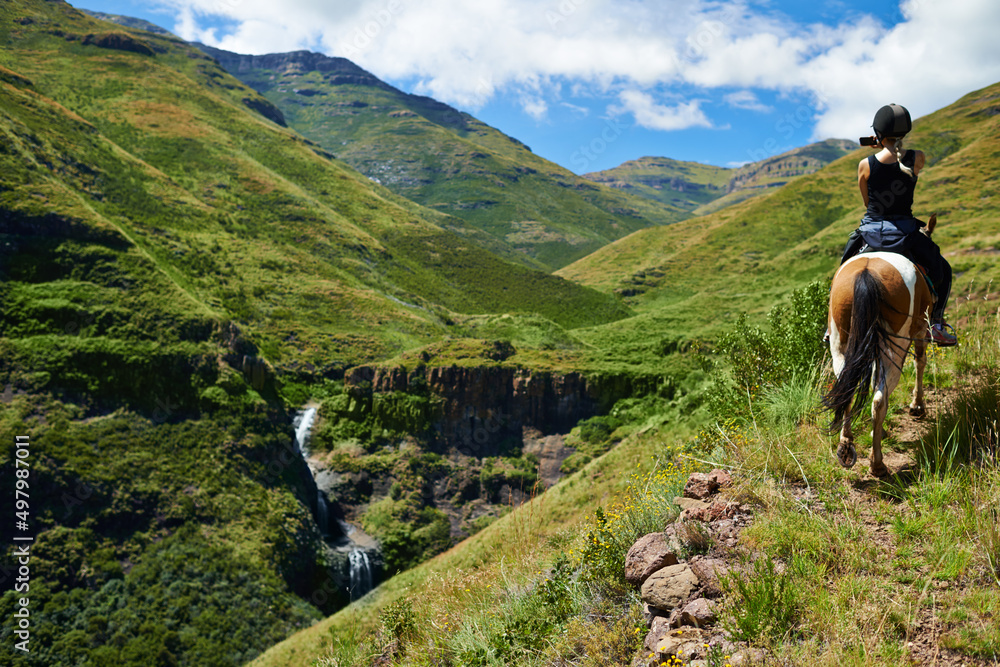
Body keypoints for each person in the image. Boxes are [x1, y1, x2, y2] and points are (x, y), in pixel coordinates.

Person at [837, 103, 956, 346]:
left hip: (871, 231)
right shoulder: (917, 158)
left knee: (842, 268)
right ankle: (936, 323)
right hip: (906, 232)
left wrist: (879, 148)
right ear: (905, 132)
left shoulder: (865, 164)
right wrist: (888, 145)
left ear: (878, 133)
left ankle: (832, 327)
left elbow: (867, 202)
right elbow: (902, 160)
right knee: (942, 269)